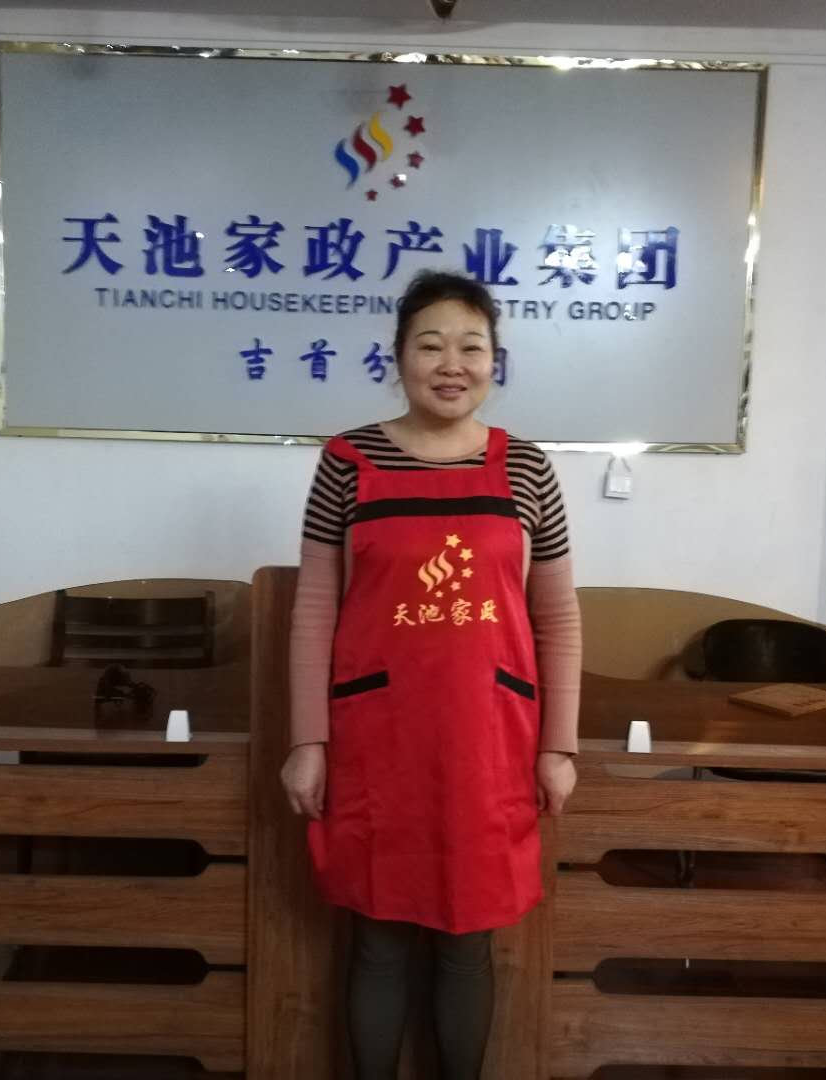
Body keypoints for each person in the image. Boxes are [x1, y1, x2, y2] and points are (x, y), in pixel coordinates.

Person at [280, 270, 582, 1080]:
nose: (452, 364)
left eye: (471, 347)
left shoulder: (527, 468)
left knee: (466, 939)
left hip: (489, 740)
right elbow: (314, 608)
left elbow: (557, 617)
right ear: (399, 356)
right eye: (431, 345)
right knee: (376, 938)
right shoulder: (348, 461)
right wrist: (308, 741)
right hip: (377, 737)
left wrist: (559, 746)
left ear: (494, 361)